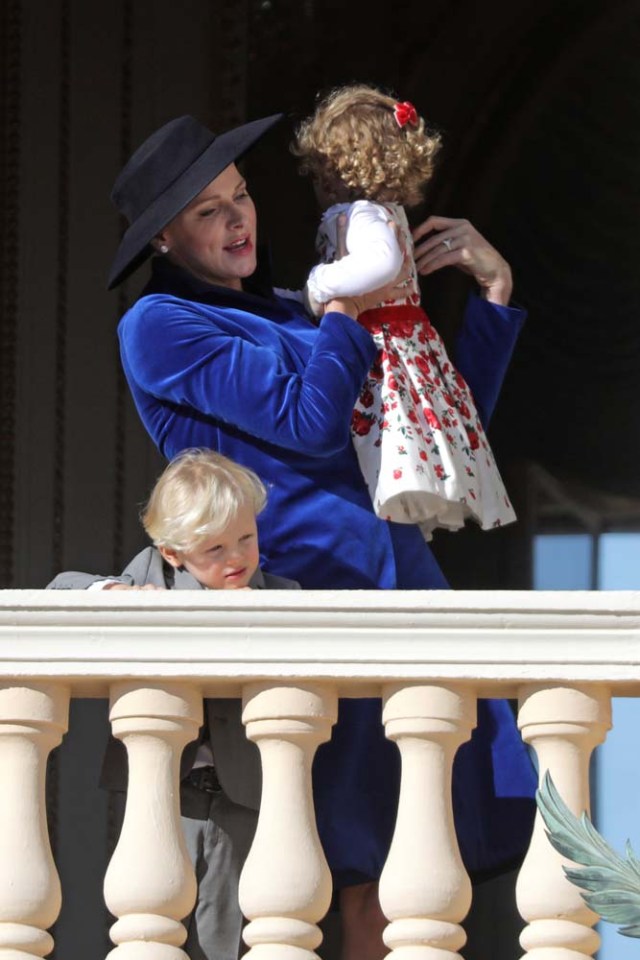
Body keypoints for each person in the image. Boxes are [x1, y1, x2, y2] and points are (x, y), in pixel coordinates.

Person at [104, 110, 537, 960]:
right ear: (163, 235)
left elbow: (435, 440)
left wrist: (493, 299)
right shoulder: (157, 326)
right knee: (350, 883)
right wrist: (347, 306)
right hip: (309, 600)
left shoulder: (297, 310)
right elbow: (308, 423)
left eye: (241, 196)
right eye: (207, 211)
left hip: (403, 585)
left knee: (423, 878)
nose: (238, 220)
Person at [49, 449, 299, 960]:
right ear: (173, 554)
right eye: (215, 549)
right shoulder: (149, 577)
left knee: (226, 922)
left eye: (247, 539)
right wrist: (111, 592)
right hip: (163, 784)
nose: (236, 558)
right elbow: (59, 588)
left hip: (243, 788)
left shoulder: (279, 592)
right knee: (153, 910)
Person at [293, 84, 516, 542]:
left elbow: (381, 264)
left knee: (396, 427)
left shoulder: (361, 214)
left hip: (382, 345)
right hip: (397, 343)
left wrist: (318, 286)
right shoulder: (382, 213)